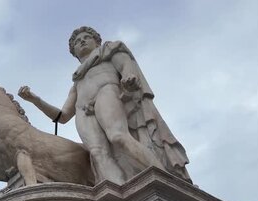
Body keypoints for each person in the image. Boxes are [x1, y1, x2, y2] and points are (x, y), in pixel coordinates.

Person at [18, 26, 191, 184]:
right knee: (98, 152)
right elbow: (62, 116)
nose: (82, 41)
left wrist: (129, 77)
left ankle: (164, 178)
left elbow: (126, 65)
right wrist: (35, 99)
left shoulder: (108, 51)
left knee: (118, 136)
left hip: (106, 93)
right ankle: (119, 192)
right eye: (77, 42)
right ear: (75, 53)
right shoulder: (77, 81)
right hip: (83, 112)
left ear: (97, 41)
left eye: (86, 37)